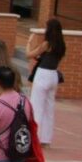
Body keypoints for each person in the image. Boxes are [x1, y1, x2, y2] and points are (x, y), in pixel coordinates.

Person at [28, 18, 65, 148]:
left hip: (42, 74)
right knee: (49, 109)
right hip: (53, 75)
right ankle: (46, 139)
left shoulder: (47, 44)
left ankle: (34, 138)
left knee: (36, 107)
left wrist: (29, 42)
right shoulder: (61, 45)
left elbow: (29, 54)